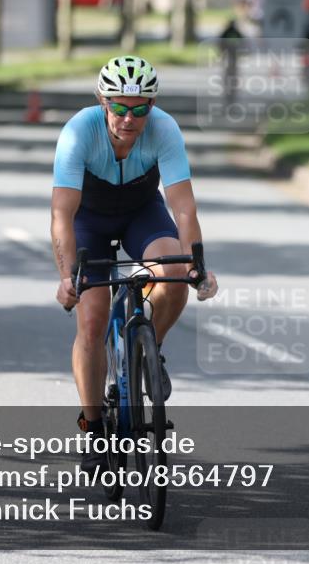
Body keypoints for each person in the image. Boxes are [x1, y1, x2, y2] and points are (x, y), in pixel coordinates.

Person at [51, 56, 219, 471]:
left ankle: (148, 349)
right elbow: (61, 215)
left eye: (140, 108)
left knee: (174, 273)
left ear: (152, 105)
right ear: (102, 101)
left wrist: (197, 264)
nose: (129, 118)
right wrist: (66, 276)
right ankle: (92, 427)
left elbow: (183, 207)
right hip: (89, 221)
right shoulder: (78, 133)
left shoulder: (164, 129)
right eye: (120, 107)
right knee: (91, 321)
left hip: (141, 213)